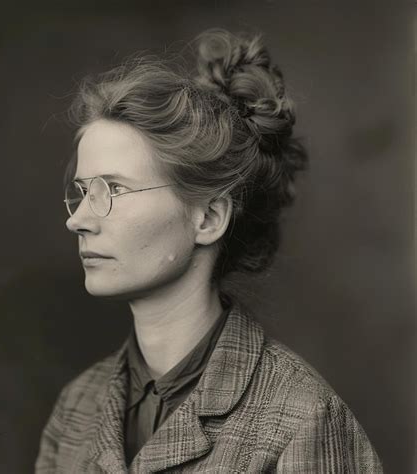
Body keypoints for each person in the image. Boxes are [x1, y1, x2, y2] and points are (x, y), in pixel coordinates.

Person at [35, 29, 383, 473]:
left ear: (208, 219)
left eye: (114, 189)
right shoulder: (76, 410)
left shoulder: (303, 418)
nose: (78, 219)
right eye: (82, 191)